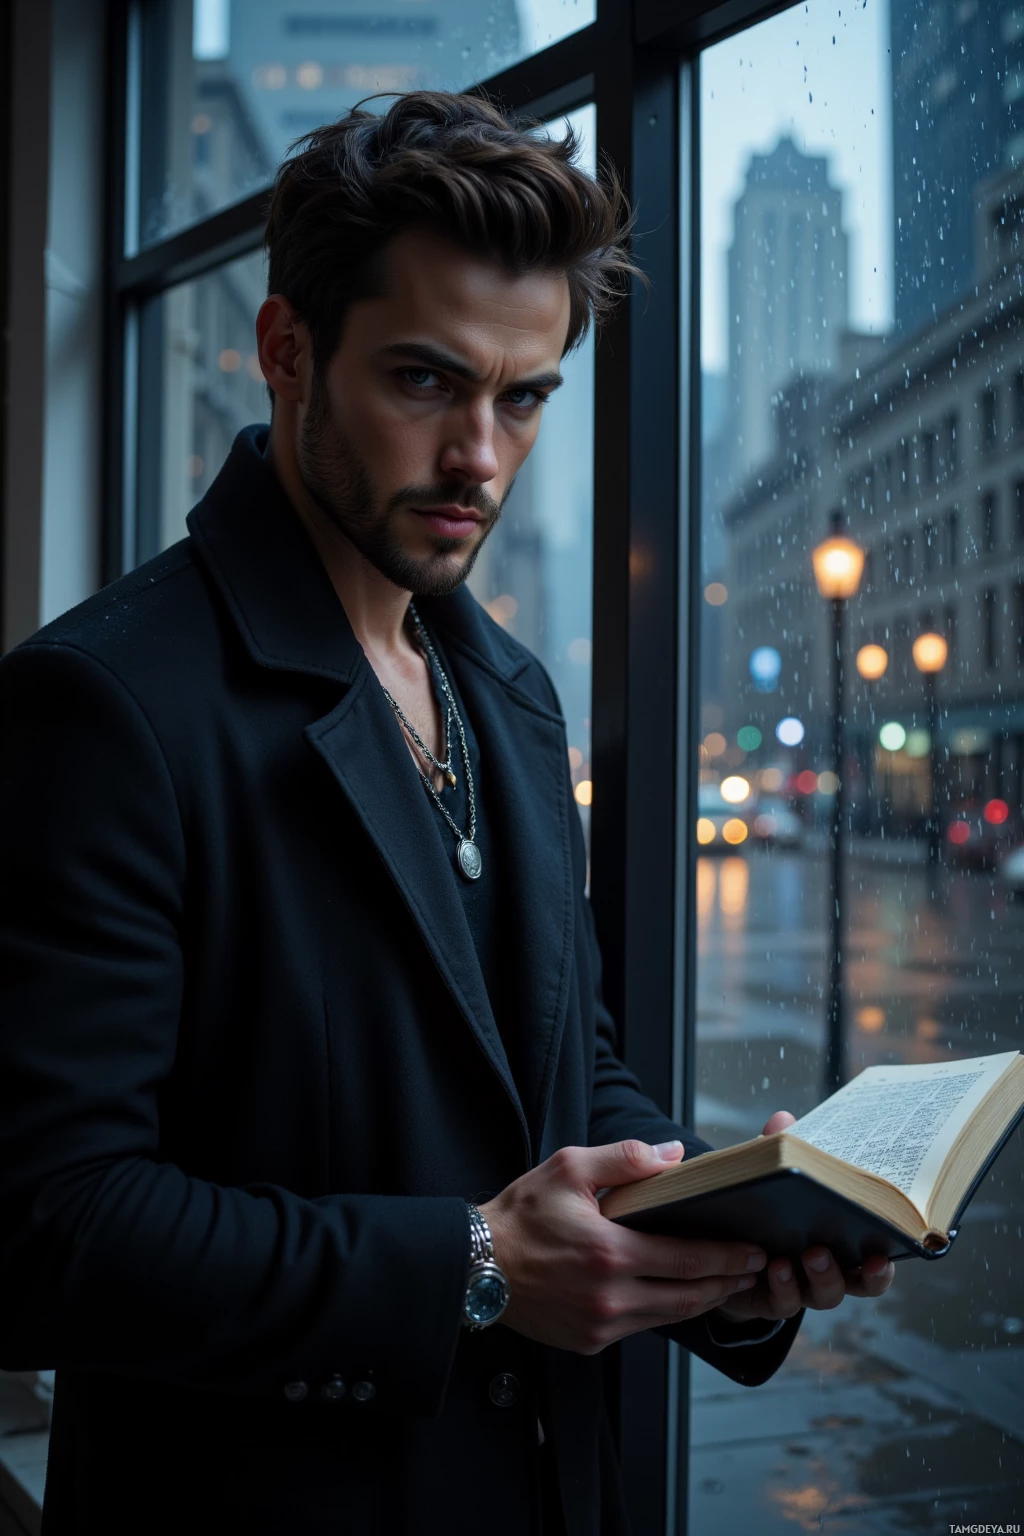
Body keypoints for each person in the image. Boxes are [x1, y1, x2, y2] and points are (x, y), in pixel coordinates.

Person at [0, 90, 894, 1536]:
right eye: (426, 383)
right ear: (286, 354)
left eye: (525, 395)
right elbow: (43, 1227)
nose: (482, 453)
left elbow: (564, 1076)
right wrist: (471, 1265)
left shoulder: (516, 698)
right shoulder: (104, 705)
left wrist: (724, 1232)